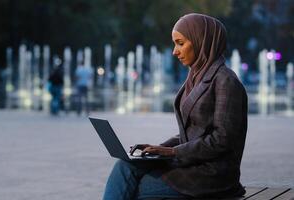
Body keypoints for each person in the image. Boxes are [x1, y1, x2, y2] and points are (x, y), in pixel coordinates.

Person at [102, 13, 248, 199]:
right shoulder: (196, 77)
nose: (174, 51)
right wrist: (157, 149)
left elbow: (222, 140)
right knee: (125, 166)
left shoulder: (226, 81)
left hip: (211, 175)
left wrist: (172, 152)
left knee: (136, 189)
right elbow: (193, 132)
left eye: (180, 43)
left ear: (201, 41)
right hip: (190, 164)